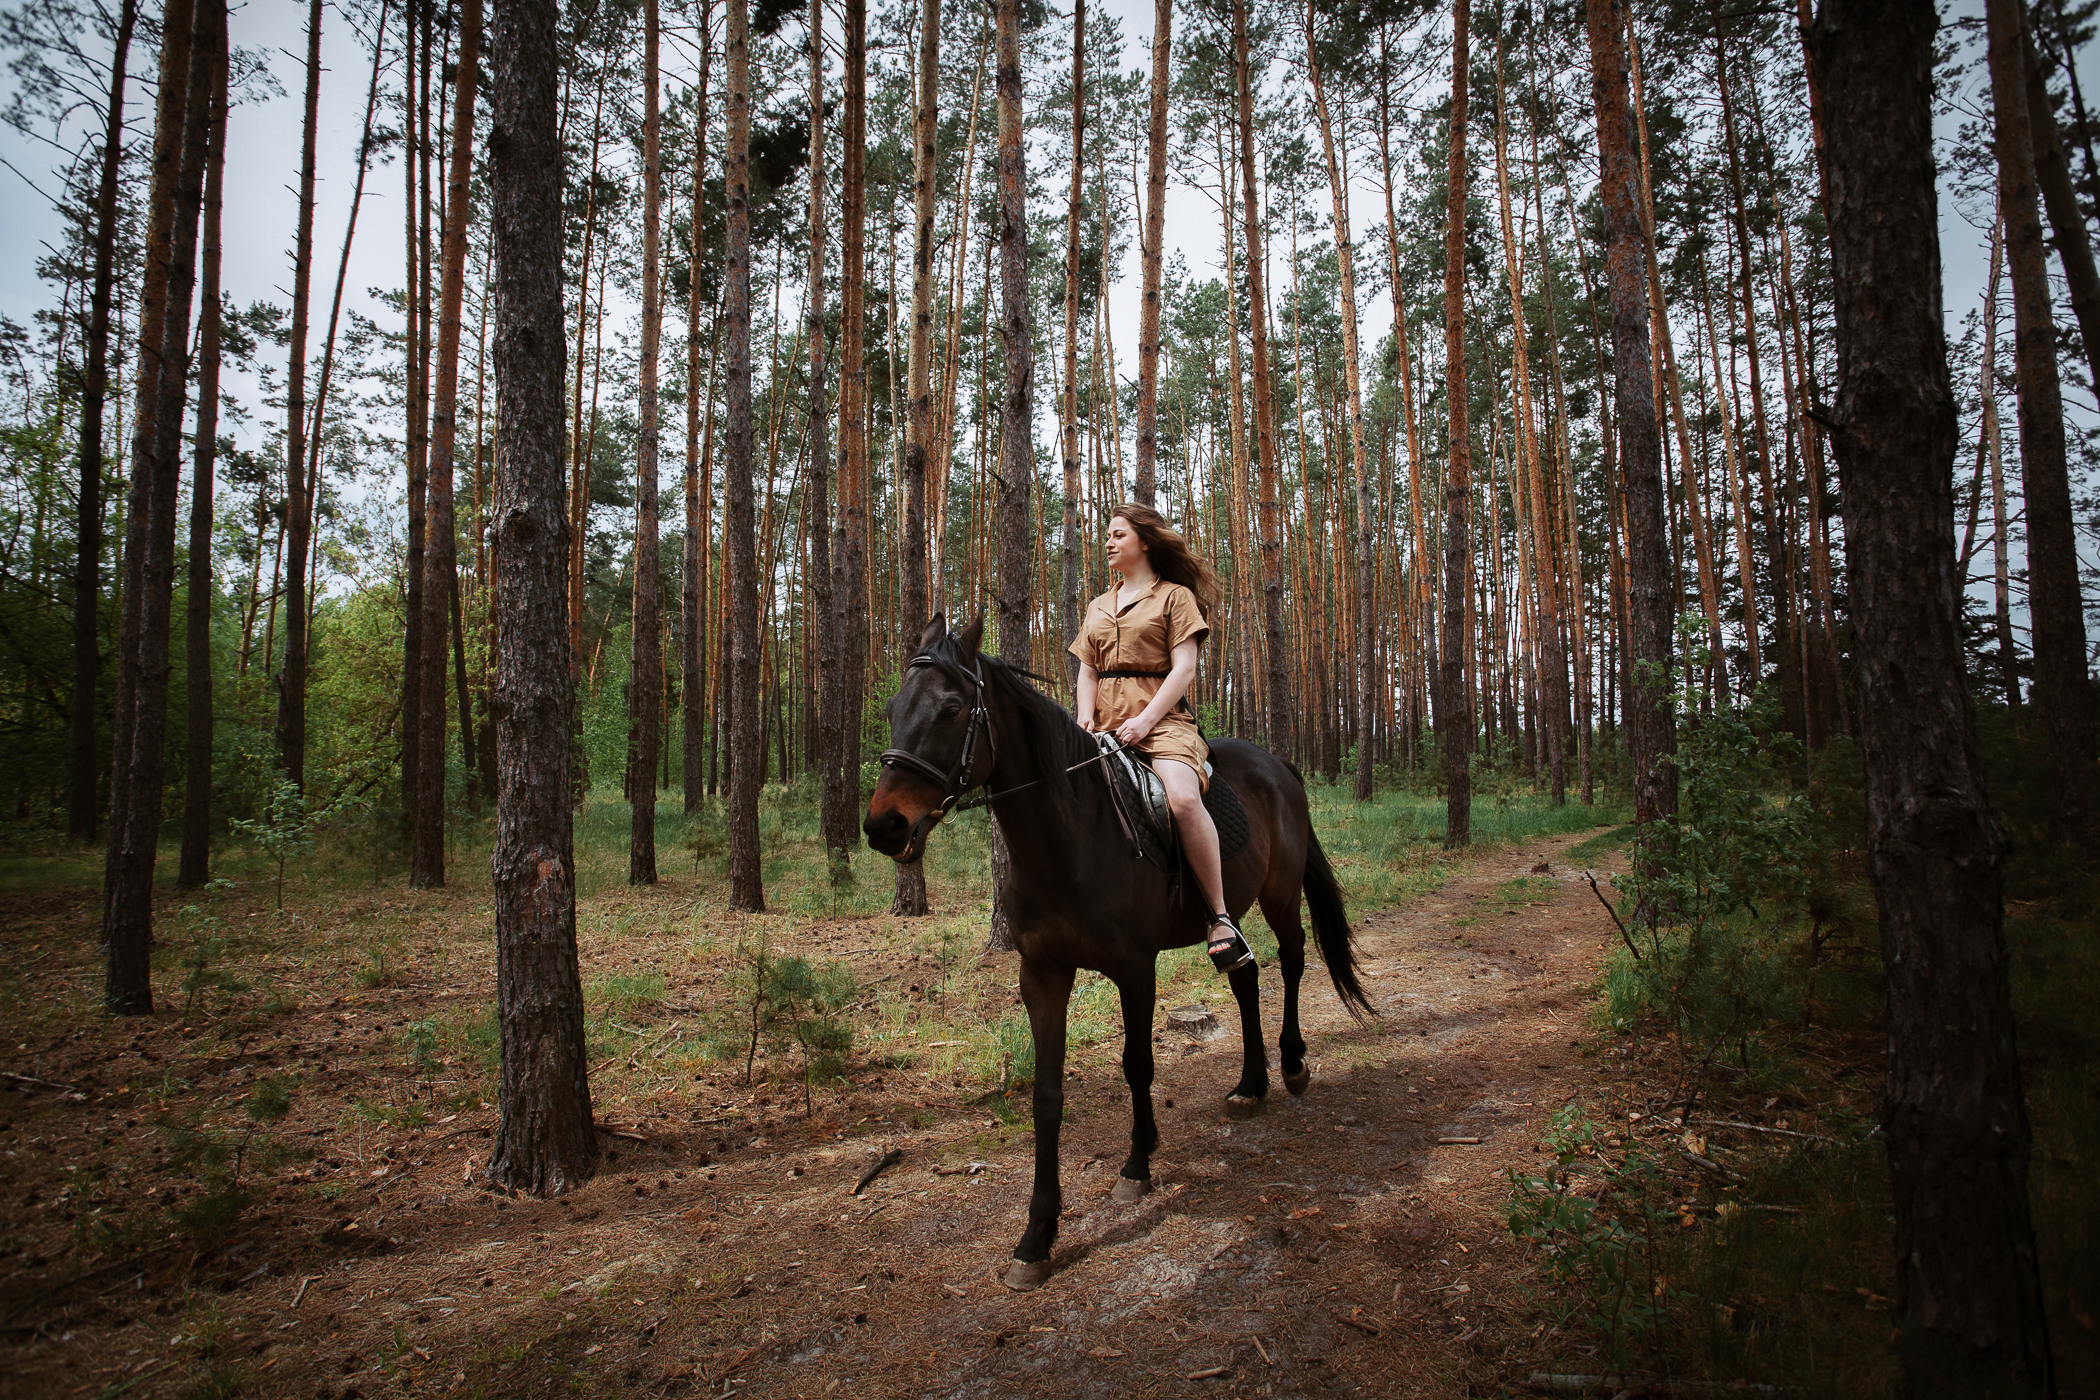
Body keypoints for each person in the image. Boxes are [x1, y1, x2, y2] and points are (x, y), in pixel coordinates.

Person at [1068, 502, 1254, 974]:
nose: (1108, 542)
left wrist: (1146, 722)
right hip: (1104, 727)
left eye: (1117, 535)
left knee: (1183, 800)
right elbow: (1087, 671)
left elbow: (1184, 669)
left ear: (1144, 542)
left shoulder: (1174, 598)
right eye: (1107, 536)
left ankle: (1220, 919)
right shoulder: (1097, 606)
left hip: (1163, 725)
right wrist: (1084, 718)